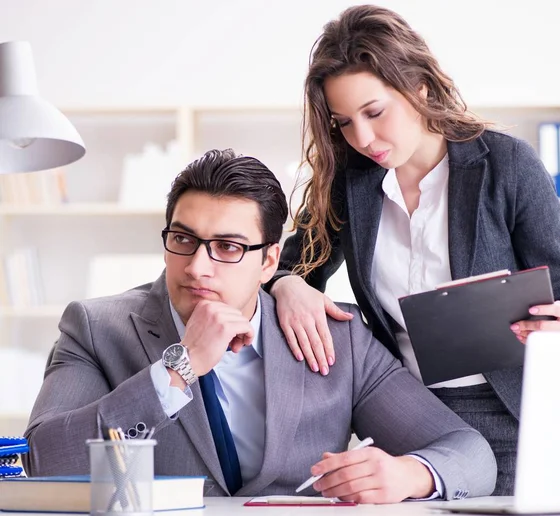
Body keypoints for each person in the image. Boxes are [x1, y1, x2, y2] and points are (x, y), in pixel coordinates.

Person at [23, 149, 495, 503]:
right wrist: (178, 368)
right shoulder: (96, 328)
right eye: (183, 239)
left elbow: (469, 452)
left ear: (270, 259)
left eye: (228, 247)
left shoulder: (338, 338)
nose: (198, 268)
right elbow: (42, 462)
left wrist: (410, 474)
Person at [265, 4, 560, 496]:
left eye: (374, 113)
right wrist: (289, 284)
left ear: (419, 85)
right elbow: (286, 266)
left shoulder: (506, 166)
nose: (362, 138)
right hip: (409, 418)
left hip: (512, 416)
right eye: (344, 123)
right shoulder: (350, 183)